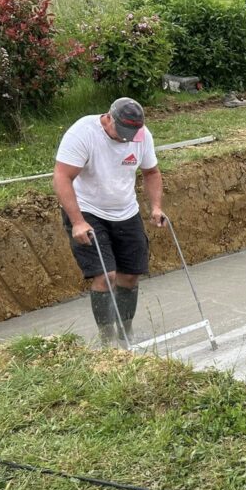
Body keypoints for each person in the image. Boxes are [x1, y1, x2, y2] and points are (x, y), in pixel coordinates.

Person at [52, 97, 165, 345]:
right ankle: (107, 340)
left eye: (131, 134)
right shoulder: (83, 133)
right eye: (122, 132)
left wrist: (156, 207)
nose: (126, 139)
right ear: (108, 118)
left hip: (125, 210)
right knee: (106, 276)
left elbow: (151, 172)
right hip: (88, 211)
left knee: (130, 276)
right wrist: (77, 221)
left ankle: (126, 333)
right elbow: (62, 177)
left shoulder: (141, 135)